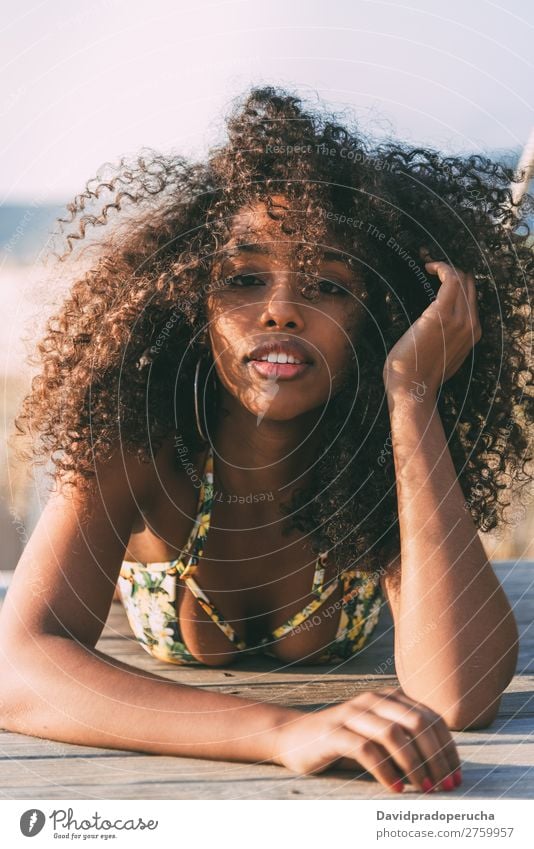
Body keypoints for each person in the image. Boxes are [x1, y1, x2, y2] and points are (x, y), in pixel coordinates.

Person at [1, 87, 531, 794]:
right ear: (193, 298)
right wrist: (282, 730)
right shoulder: (140, 443)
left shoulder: (380, 454)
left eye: (326, 285)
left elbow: (459, 693)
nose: (281, 309)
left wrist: (411, 392)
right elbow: (17, 667)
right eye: (245, 278)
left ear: (381, 314)